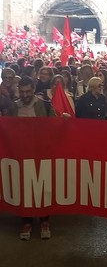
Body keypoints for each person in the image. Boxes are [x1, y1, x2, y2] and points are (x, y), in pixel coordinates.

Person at [8, 76, 55, 240]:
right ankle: (26, 220)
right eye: (22, 91)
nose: (25, 95)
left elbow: (55, 127)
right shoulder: (13, 107)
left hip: (41, 153)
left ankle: (44, 220)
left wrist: (65, 122)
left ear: (34, 89)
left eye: (28, 91)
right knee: (24, 187)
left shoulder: (45, 105)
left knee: (43, 185)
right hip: (20, 154)